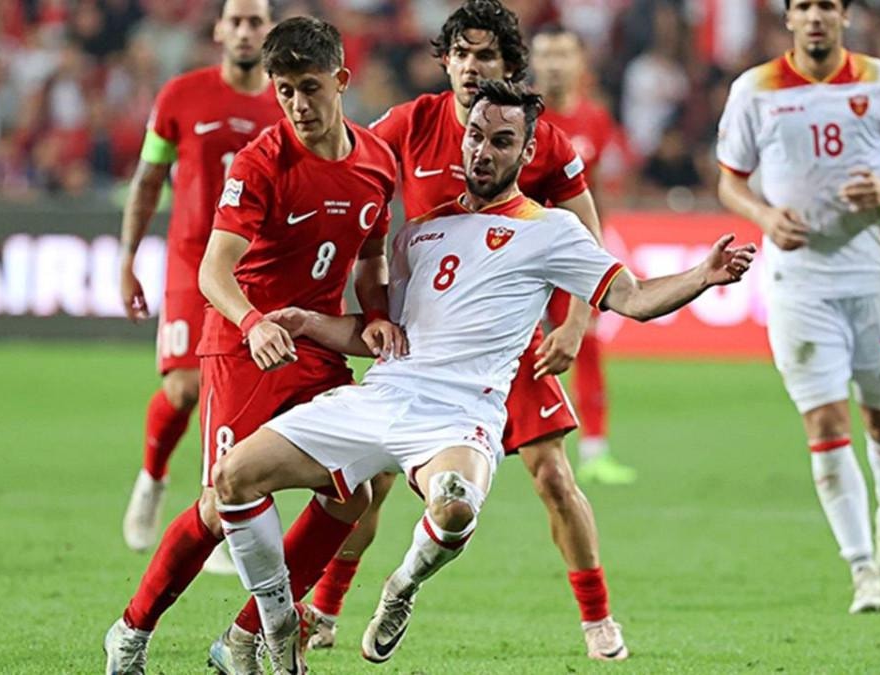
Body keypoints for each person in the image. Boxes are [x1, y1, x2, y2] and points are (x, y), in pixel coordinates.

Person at [211, 79, 756, 673]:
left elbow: (634, 296)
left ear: (526, 152)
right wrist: (310, 322)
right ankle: (268, 624)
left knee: (454, 508)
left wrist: (701, 277)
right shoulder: (419, 234)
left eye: (501, 141)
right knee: (233, 477)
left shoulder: (552, 230)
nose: (483, 151)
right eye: (475, 136)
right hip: (383, 394)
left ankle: (401, 586)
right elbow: (382, 335)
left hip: (461, 414)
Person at [304, 0, 626, 660]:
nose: (473, 66)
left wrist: (574, 323)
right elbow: (355, 174)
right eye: (462, 53)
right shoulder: (410, 123)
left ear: (509, 66)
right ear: (445, 60)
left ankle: (598, 621)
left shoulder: (536, 136)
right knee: (369, 482)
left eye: (487, 55)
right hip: (422, 344)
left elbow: (590, 239)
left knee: (553, 477)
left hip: (505, 346)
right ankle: (326, 609)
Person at [105, 16, 400, 675]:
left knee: (357, 491)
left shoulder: (378, 163)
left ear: (341, 80)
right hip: (243, 349)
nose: (296, 103)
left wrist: (377, 314)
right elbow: (214, 271)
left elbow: (372, 256)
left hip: (315, 348)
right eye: (284, 89)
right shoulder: (261, 161)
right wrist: (252, 323)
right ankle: (131, 630)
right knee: (220, 507)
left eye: (309, 87)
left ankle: (245, 635)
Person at [717, 0, 880, 614]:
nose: (815, 16)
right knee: (823, 422)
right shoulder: (755, 89)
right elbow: (730, 180)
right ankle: (863, 567)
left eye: (827, 6)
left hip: (869, 275)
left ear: (845, 16)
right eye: (804, 6)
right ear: (788, 18)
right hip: (797, 282)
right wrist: (764, 216)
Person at [117, 0, 282, 572]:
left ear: (269, 31)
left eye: (255, 21)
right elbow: (148, 179)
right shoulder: (180, 97)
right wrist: (128, 256)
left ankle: (220, 513)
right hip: (193, 261)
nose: (244, 31)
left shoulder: (287, 102)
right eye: (236, 21)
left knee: (240, 397)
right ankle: (152, 476)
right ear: (218, 30)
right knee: (186, 387)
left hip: (258, 266)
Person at [530, 23, 636, 485]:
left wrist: (598, 245)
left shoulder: (595, 118)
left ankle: (595, 451)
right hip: (520, 256)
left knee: (585, 343)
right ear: (532, 62)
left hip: (570, 256)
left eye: (563, 54)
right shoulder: (517, 115)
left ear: (579, 63)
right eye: (546, 55)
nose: (554, 64)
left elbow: (594, 193)